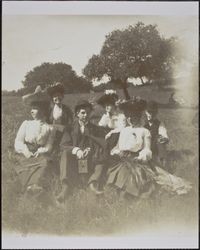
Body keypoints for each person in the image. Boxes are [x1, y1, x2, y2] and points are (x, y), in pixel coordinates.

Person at [107, 98, 192, 200]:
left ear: (139, 117)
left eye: (134, 117)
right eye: (128, 117)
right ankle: (122, 192)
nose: (131, 120)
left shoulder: (144, 131)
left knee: (140, 176)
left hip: (137, 159)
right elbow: (117, 147)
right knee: (120, 172)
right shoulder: (124, 131)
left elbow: (147, 149)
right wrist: (117, 152)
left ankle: (131, 194)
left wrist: (140, 157)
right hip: (124, 159)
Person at [56, 100, 107, 203]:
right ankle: (66, 187)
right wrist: (76, 150)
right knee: (65, 154)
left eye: (88, 113)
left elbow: (101, 143)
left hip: (90, 158)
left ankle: (93, 183)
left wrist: (90, 149)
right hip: (74, 159)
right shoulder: (70, 128)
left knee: (102, 155)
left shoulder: (95, 129)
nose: (86, 115)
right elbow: (63, 145)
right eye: (83, 112)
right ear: (77, 114)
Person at [14, 86, 56, 196]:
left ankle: (35, 185)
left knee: (45, 163)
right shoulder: (26, 123)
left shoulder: (49, 127)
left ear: (43, 110)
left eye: (35, 108)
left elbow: (49, 144)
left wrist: (41, 151)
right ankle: (28, 186)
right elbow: (18, 141)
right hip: (26, 150)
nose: (32, 111)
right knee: (24, 164)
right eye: (31, 108)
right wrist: (25, 150)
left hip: (40, 152)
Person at [46, 82, 73, 150]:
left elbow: (70, 122)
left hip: (64, 133)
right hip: (51, 134)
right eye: (55, 96)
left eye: (59, 95)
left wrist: (64, 127)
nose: (57, 98)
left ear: (62, 96)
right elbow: (46, 122)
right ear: (52, 98)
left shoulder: (67, 109)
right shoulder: (49, 109)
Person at [144, 101, 169, 169]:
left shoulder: (159, 124)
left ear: (156, 113)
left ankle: (162, 163)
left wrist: (163, 138)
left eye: (153, 113)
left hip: (155, 150)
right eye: (149, 112)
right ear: (145, 112)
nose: (150, 115)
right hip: (145, 149)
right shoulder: (144, 125)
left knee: (159, 138)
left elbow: (164, 134)